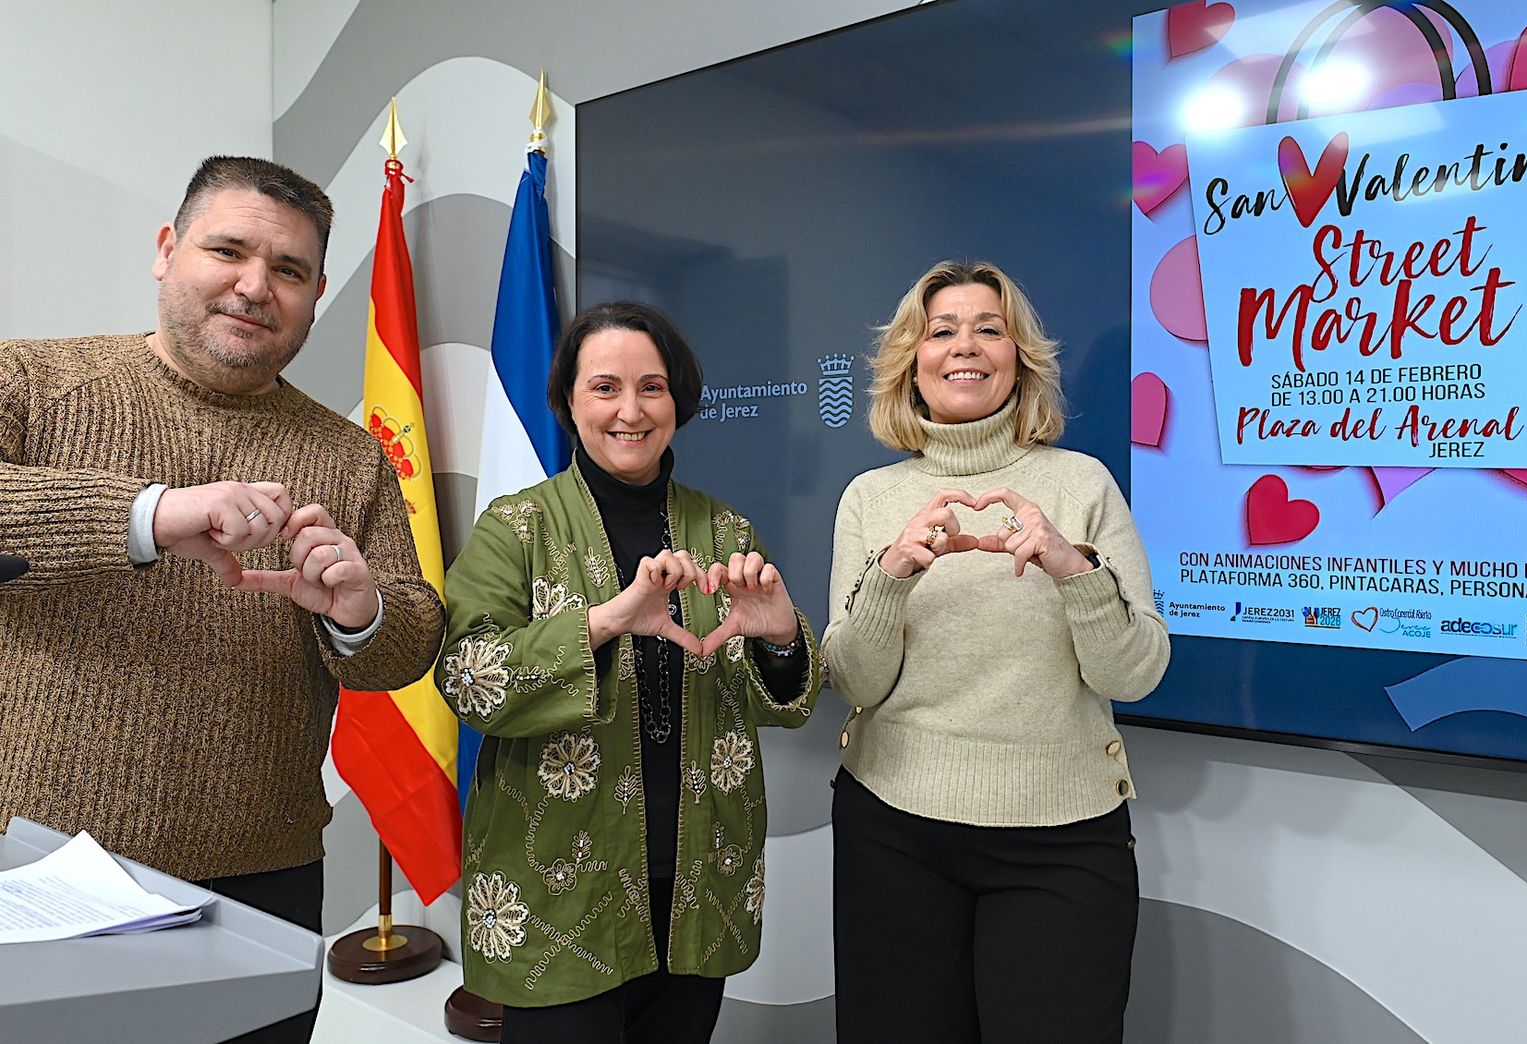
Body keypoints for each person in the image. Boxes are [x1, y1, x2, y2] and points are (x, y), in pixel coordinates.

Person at [0, 156, 445, 1043]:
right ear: (167, 250)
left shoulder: (352, 457)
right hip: (36, 869)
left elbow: (411, 642)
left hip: (263, 879)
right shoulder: (33, 381)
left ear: (318, 293)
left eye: (288, 270)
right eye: (227, 250)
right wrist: (151, 515)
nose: (254, 287)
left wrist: (358, 612)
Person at [439, 301, 821, 1043]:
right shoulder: (517, 527)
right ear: (569, 401)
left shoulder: (726, 529)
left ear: (678, 400)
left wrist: (780, 640)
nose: (630, 410)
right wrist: (608, 619)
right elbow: (466, 679)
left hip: (697, 884)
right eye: (605, 387)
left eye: (652, 387)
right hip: (556, 891)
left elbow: (782, 702)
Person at [823, 260, 1171, 1043]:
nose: (965, 346)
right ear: (913, 361)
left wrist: (1073, 570)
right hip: (892, 832)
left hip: (1064, 838)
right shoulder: (869, 498)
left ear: (1021, 358)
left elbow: (1137, 673)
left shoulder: (1083, 484)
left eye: (990, 328)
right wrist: (889, 579)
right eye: (941, 331)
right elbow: (853, 682)